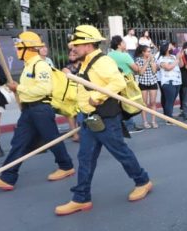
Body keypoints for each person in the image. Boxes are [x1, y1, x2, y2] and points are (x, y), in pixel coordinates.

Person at [57, 25, 154, 215]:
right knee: (85, 158)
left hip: (105, 119)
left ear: (88, 45)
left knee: (121, 152)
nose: (73, 48)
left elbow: (117, 82)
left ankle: (143, 181)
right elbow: (90, 83)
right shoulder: (86, 61)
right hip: (89, 119)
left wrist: (98, 97)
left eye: (77, 44)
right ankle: (81, 197)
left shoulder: (103, 62)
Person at [0, 32, 74, 190]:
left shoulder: (41, 65)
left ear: (29, 49)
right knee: (19, 142)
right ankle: (7, 177)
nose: (17, 51)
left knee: (52, 139)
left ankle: (66, 166)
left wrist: (18, 87)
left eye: (19, 48)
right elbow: (29, 88)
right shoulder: (28, 66)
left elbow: (44, 89)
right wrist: (18, 90)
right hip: (29, 110)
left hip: (41, 109)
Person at [107, 35, 144, 132]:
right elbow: (136, 69)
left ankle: (117, 125)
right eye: (123, 42)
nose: (125, 44)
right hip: (126, 82)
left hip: (112, 82)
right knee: (129, 103)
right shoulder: (125, 56)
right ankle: (129, 125)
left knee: (116, 104)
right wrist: (139, 67)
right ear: (119, 45)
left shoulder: (109, 55)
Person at [134, 44, 158, 128]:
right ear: (143, 52)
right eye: (148, 51)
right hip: (143, 83)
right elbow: (140, 72)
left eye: (150, 51)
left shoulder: (153, 59)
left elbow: (154, 71)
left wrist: (151, 62)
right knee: (144, 103)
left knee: (153, 102)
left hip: (153, 82)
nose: (149, 53)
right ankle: (145, 121)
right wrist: (147, 62)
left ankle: (153, 121)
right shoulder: (139, 60)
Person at [157, 41, 182, 120]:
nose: (172, 48)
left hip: (177, 81)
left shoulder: (173, 56)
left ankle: (169, 115)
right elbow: (168, 68)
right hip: (168, 82)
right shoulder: (161, 58)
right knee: (169, 101)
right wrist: (177, 59)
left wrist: (180, 58)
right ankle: (169, 119)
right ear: (166, 48)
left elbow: (181, 65)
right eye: (170, 46)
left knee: (172, 101)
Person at [62, 48, 82, 142]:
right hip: (71, 94)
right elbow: (70, 77)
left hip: (82, 93)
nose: (72, 57)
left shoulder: (83, 65)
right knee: (71, 115)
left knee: (81, 114)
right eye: (70, 55)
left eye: (74, 55)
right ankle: (75, 135)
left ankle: (82, 132)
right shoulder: (66, 68)